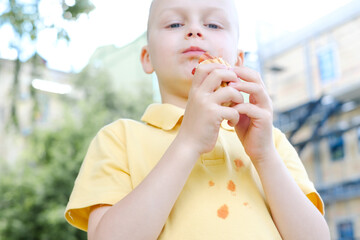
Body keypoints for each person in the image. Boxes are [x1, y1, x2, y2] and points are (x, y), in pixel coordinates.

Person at [65, 0, 330, 239]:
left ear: (238, 59)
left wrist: (264, 156)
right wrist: (188, 143)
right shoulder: (118, 139)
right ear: (148, 58)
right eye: (175, 23)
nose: (194, 30)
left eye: (213, 24)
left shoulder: (270, 141)